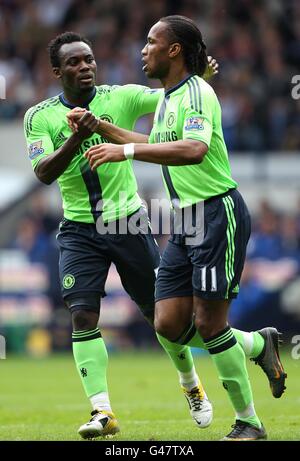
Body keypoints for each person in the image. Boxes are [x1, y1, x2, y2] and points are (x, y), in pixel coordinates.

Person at [76, 15, 287, 440]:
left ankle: (249, 422)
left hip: (216, 214)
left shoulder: (197, 93)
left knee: (210, 324)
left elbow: (193, 149)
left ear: (174, 50)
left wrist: (127, 151)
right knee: (168, 321)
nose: (143, 49)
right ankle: (258, 345)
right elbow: (154, 144)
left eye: (152, 42)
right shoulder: (167, 98)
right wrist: (100, 128)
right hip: (185, 219)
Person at [24, 31, 221, 440]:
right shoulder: (38, 117)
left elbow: (171, 98)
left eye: (90, 60)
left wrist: (199, 77)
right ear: (57, 72)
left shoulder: (122, 97)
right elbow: (43, 173)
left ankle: (191, 384)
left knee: (160, 318)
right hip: (79, 228)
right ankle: (102, 410)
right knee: (81, 314)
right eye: (75, 63)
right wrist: (80, 135)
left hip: (127, 221)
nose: (85, 67)